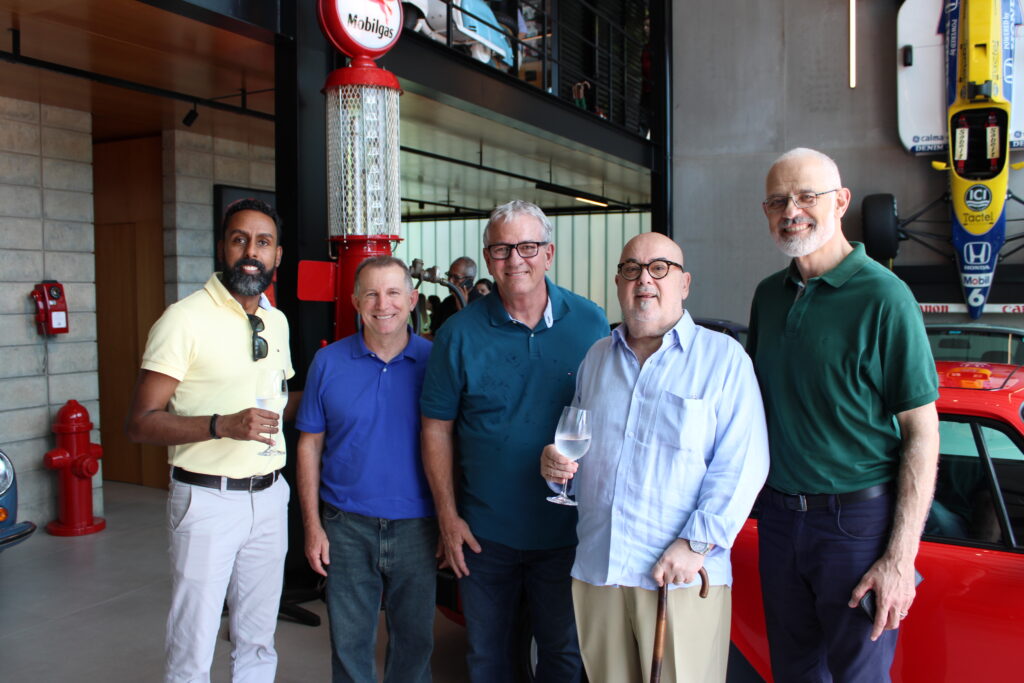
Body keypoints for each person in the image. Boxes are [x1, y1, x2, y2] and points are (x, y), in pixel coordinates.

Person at [541, 232, 769, 682]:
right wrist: (557, 471)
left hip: (678, 575)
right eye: (632, 269)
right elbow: (581, 446)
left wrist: (696, 543)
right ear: (618, 283)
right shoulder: (597, 357)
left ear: (684, 283)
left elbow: (743, 465)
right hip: (599, 569)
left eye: (659, 268)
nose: (644, 279)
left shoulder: (723, 359)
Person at [748, 148, 940, 682]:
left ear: (841, 201)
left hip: (856, 527)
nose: (792, 211)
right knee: (792, 674)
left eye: (807, 196)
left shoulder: (886, 297)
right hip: (781, 520)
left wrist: (901, 558)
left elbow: (922, 432)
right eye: (778, 201)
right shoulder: (768, 297)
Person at [421, 199, 609, 682]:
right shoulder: (457, 334)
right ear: (488, 259)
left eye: (527, 246)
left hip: (568, 532)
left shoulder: (590, 323)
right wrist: (448, 517)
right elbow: (436, 427)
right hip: (486, 536)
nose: (515, 259)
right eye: (503, 249)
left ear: (548, 254)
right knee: (491, 661)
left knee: (565, 660)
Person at [126, 198, 294, 682]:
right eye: (240, 239)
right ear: (223, 247)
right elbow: (140, 422)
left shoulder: (276, 320)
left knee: (259, 640)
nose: (251, 252)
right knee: (193, 644)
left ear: (277, 255)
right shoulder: (183, 319)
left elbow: (277, 401)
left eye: (263, 242)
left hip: (268, 496)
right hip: (205, 499)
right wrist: (221, 424)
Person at [295, 256, 436, 683]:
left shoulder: (437, 362)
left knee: (414, 646)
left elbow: (458, 444)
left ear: (412, 300)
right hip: (345, 525)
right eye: (371, 293)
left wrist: (450, 521)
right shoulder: (328, 363)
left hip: (418, 525)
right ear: (356, 302)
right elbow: (308, 444)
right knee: (349, 644)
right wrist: (312, 526)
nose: (383, 304)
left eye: (394, 292)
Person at [429, 256, 477, 333]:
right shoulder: (447, 302)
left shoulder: (481, 304)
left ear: (469, 281)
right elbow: (434, 334)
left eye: (456, 277)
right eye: (449, 275)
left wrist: (462, 310)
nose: (450, 281)